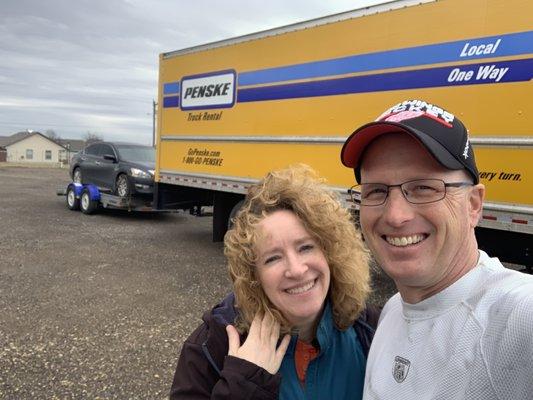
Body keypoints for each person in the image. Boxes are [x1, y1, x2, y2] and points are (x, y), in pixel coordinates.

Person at [340, 99, 533, 399]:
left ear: (473, 205)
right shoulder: (391, 312)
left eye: (424, 188)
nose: (395, 215)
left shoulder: (515, 317)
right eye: (376, 191)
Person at [169, 164, 379, 399]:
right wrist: (243, 385)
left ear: (331, 253)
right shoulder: (211, 346)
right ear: (254, 275)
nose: (296, 269)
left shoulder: (370, 330)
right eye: (273, 258)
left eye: (306, 247)